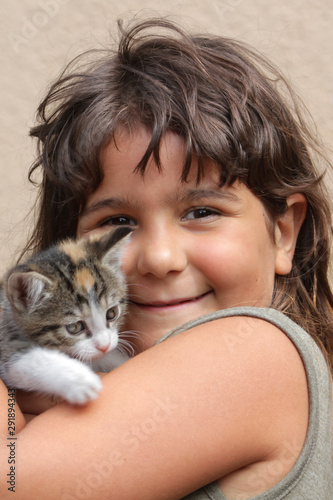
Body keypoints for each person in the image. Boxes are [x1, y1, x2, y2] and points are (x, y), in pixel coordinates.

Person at [1, 17, 333, 500]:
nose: (159, 258)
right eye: (118, 223)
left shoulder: (255, 354)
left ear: (283, 233)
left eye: (202, 211)